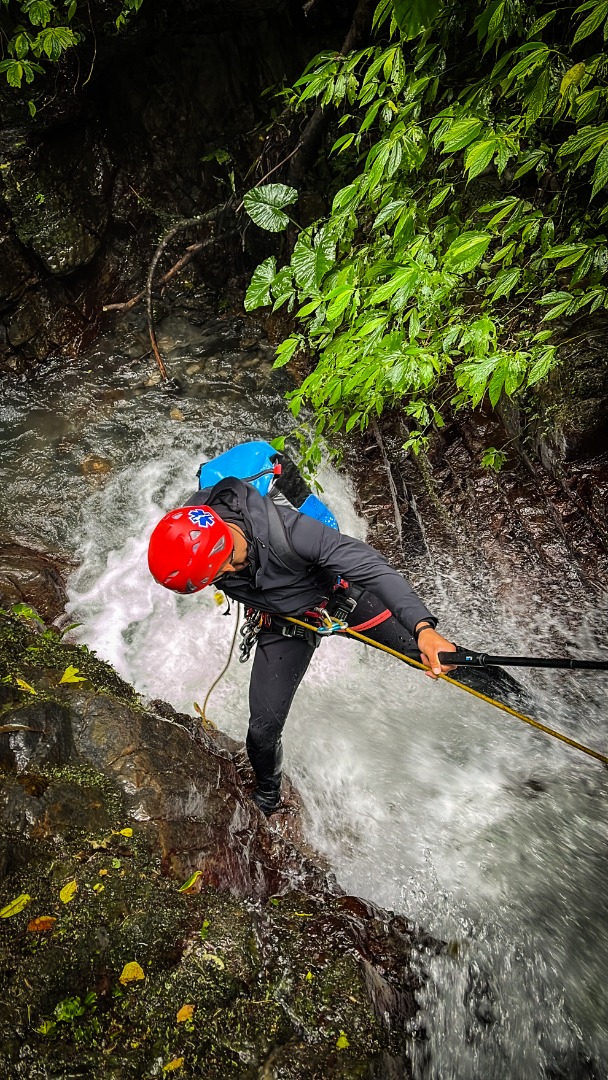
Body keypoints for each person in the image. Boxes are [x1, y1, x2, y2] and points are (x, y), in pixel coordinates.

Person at [148, 464, 460, 816]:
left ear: (221, 558)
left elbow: (370, 566)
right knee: (263, 730)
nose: (217, 581)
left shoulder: (290, 533)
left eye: (216, 575)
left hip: (344, 600)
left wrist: (424, 628)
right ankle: (267, 801)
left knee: (435, 655)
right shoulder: (192, 530)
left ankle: (511, 693)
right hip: (284, 622)